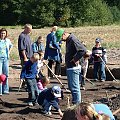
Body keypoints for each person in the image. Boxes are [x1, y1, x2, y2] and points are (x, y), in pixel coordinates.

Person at [62, 31, 86, 104]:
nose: (62, 40)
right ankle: (75, 102)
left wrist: (75, 59)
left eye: (61, 38)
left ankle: (77, 105)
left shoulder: (73, 39)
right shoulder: (69, 40)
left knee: (75, 87)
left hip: (74, 67)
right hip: (70, 67)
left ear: (64, 34)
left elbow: (82, 50)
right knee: (72, 87)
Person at [0, 28, 13, 95]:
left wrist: (9, 52)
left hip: (6, 58)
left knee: (6, 74)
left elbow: (11, 45)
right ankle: (0, 90)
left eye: (4, 33)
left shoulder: (7, 40)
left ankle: (5, 89)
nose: (3, 35)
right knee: (0, 75)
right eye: (2, 33)